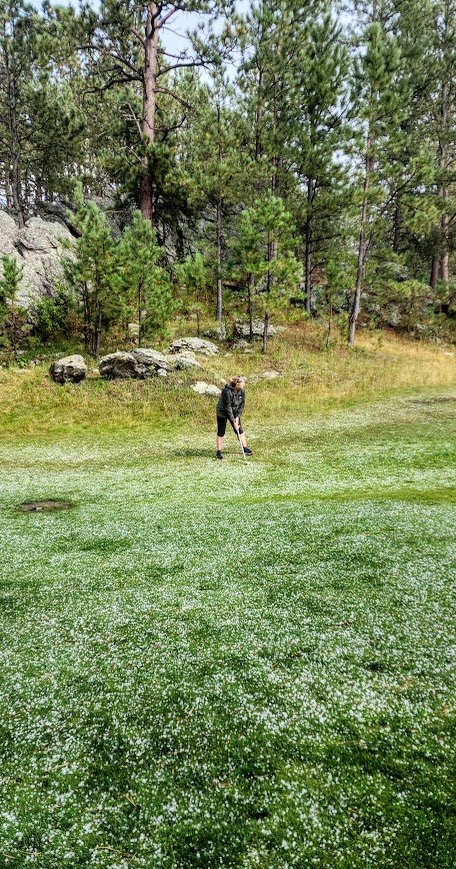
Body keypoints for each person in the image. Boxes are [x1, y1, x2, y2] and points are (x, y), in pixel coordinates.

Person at [215, 375, 253, 460]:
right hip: (223, 412)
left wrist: (237, 417)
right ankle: (218, 452)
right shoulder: (227, 391)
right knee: (221, 431)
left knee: (239, 429)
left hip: (234, 411)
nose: (244, 386)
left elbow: (242, 405)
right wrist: (233, 422)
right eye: (242, 384)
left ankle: (245, 448)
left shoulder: (242, 391)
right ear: (237, 385)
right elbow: (228, 408)